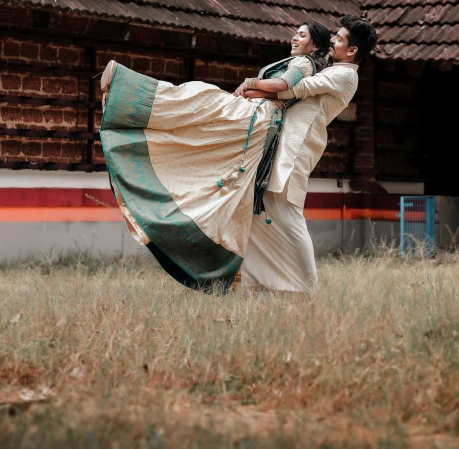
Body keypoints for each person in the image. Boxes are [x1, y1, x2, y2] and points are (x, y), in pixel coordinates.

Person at [99, 21, 331, 292]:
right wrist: (252, 91)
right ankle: (130, 101)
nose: (295, 38)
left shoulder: (303, 64)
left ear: (314, 45)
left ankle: (129, 93)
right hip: (258, 113)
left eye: (302, 35)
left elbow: (281, 85)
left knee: (201, 100)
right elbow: (277, 90)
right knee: (204, 110)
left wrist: (249, 83)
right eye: (296, 33)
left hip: (259, 119)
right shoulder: (300, 63)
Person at [240, 15, 377, 292]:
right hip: (286, 142)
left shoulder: (344, 75)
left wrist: (251, 85)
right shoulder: (332, 70)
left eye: (338, 39)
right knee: (261, 207)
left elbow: (294, 89)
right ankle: (258, 281)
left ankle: (306, 285)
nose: (332, 41)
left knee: (288, 210)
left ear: (352, 51)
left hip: (299, 146)